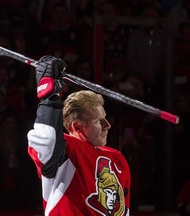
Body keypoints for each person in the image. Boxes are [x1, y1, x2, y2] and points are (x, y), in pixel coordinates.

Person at [27, 56, 131, 215]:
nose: (107, 125)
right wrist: (48, 96)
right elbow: (46, 140)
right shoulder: (67, 152)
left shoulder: (117, 159)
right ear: (77, 126)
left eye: (106, 118)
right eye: (98, 121)